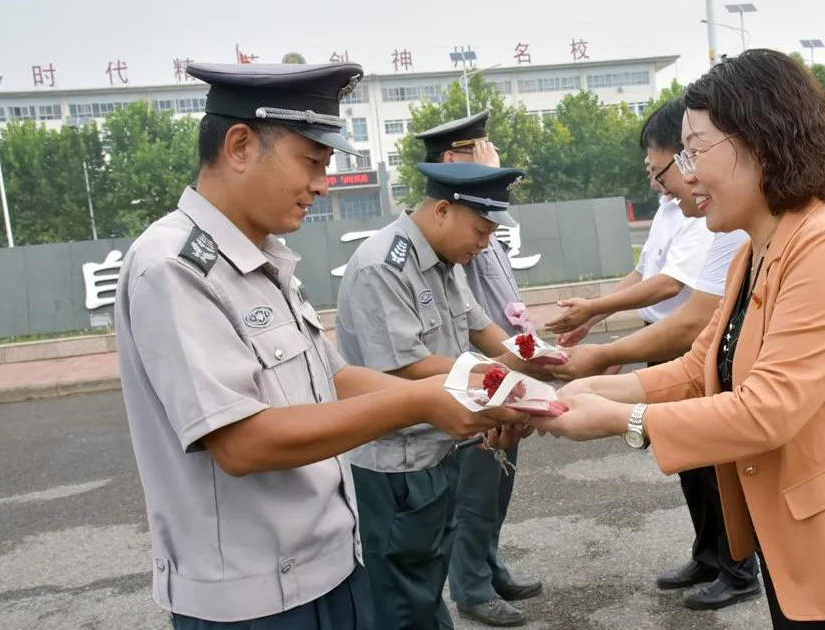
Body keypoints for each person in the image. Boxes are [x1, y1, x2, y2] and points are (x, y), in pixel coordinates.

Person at [535, 50, 825, 628]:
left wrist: (617, 421)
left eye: (696, 150)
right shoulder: (755, 251)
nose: (688, 174)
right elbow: (697, 367)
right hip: (801, 551)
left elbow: (768, 410)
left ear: (762, 139)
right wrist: (591, 392)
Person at [115, 62, 524, 630]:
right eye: (312, 162)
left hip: (330, 565)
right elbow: (242, 443)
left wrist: (462, 390)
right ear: (239, 145)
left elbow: (331, 378)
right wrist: (423, 403)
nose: (322, 184)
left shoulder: (265, 259)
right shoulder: (174, 268)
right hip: (254, 601)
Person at [548, 97, 759, 611]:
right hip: (678, 351)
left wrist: (602, 364)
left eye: (685, 159)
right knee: (692, 464)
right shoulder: (677, 209)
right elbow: (646, 278)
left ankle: (737, 566)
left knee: (714, 459)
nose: (669, 180)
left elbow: (681, 302)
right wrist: (596, 318)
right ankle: (709, 554)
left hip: (690, 344)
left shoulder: (727, 221)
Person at [336, 161, 543, 630]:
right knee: (404, 596)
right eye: (481, 229)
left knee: (427, 578)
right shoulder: (382, 266)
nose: (485, 242)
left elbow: (479, 326)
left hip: (438, 448)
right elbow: (406, 366)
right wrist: (500, 380)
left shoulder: (445, 261)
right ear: (444, 211)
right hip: (398, 463)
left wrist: (533, 357)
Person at [415, 111, 542, 627]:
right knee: (474, 491)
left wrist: (531, 353)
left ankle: (489, 567)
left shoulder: (480, 218)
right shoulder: (451, 227)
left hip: (501, 366)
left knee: (498, 483)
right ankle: (471, 587)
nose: (493, 156)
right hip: (474, 378)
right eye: (481, 149)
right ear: (453, 160)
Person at [543, 145, 713, 346]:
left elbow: (668, 285)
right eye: (650, 171)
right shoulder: (667, 207)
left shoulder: (700, 215)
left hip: (684, 337)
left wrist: (594, 314)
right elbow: (640, 275)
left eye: (656, 172)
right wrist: (589, 320)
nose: (655, 183)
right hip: (659, 333)